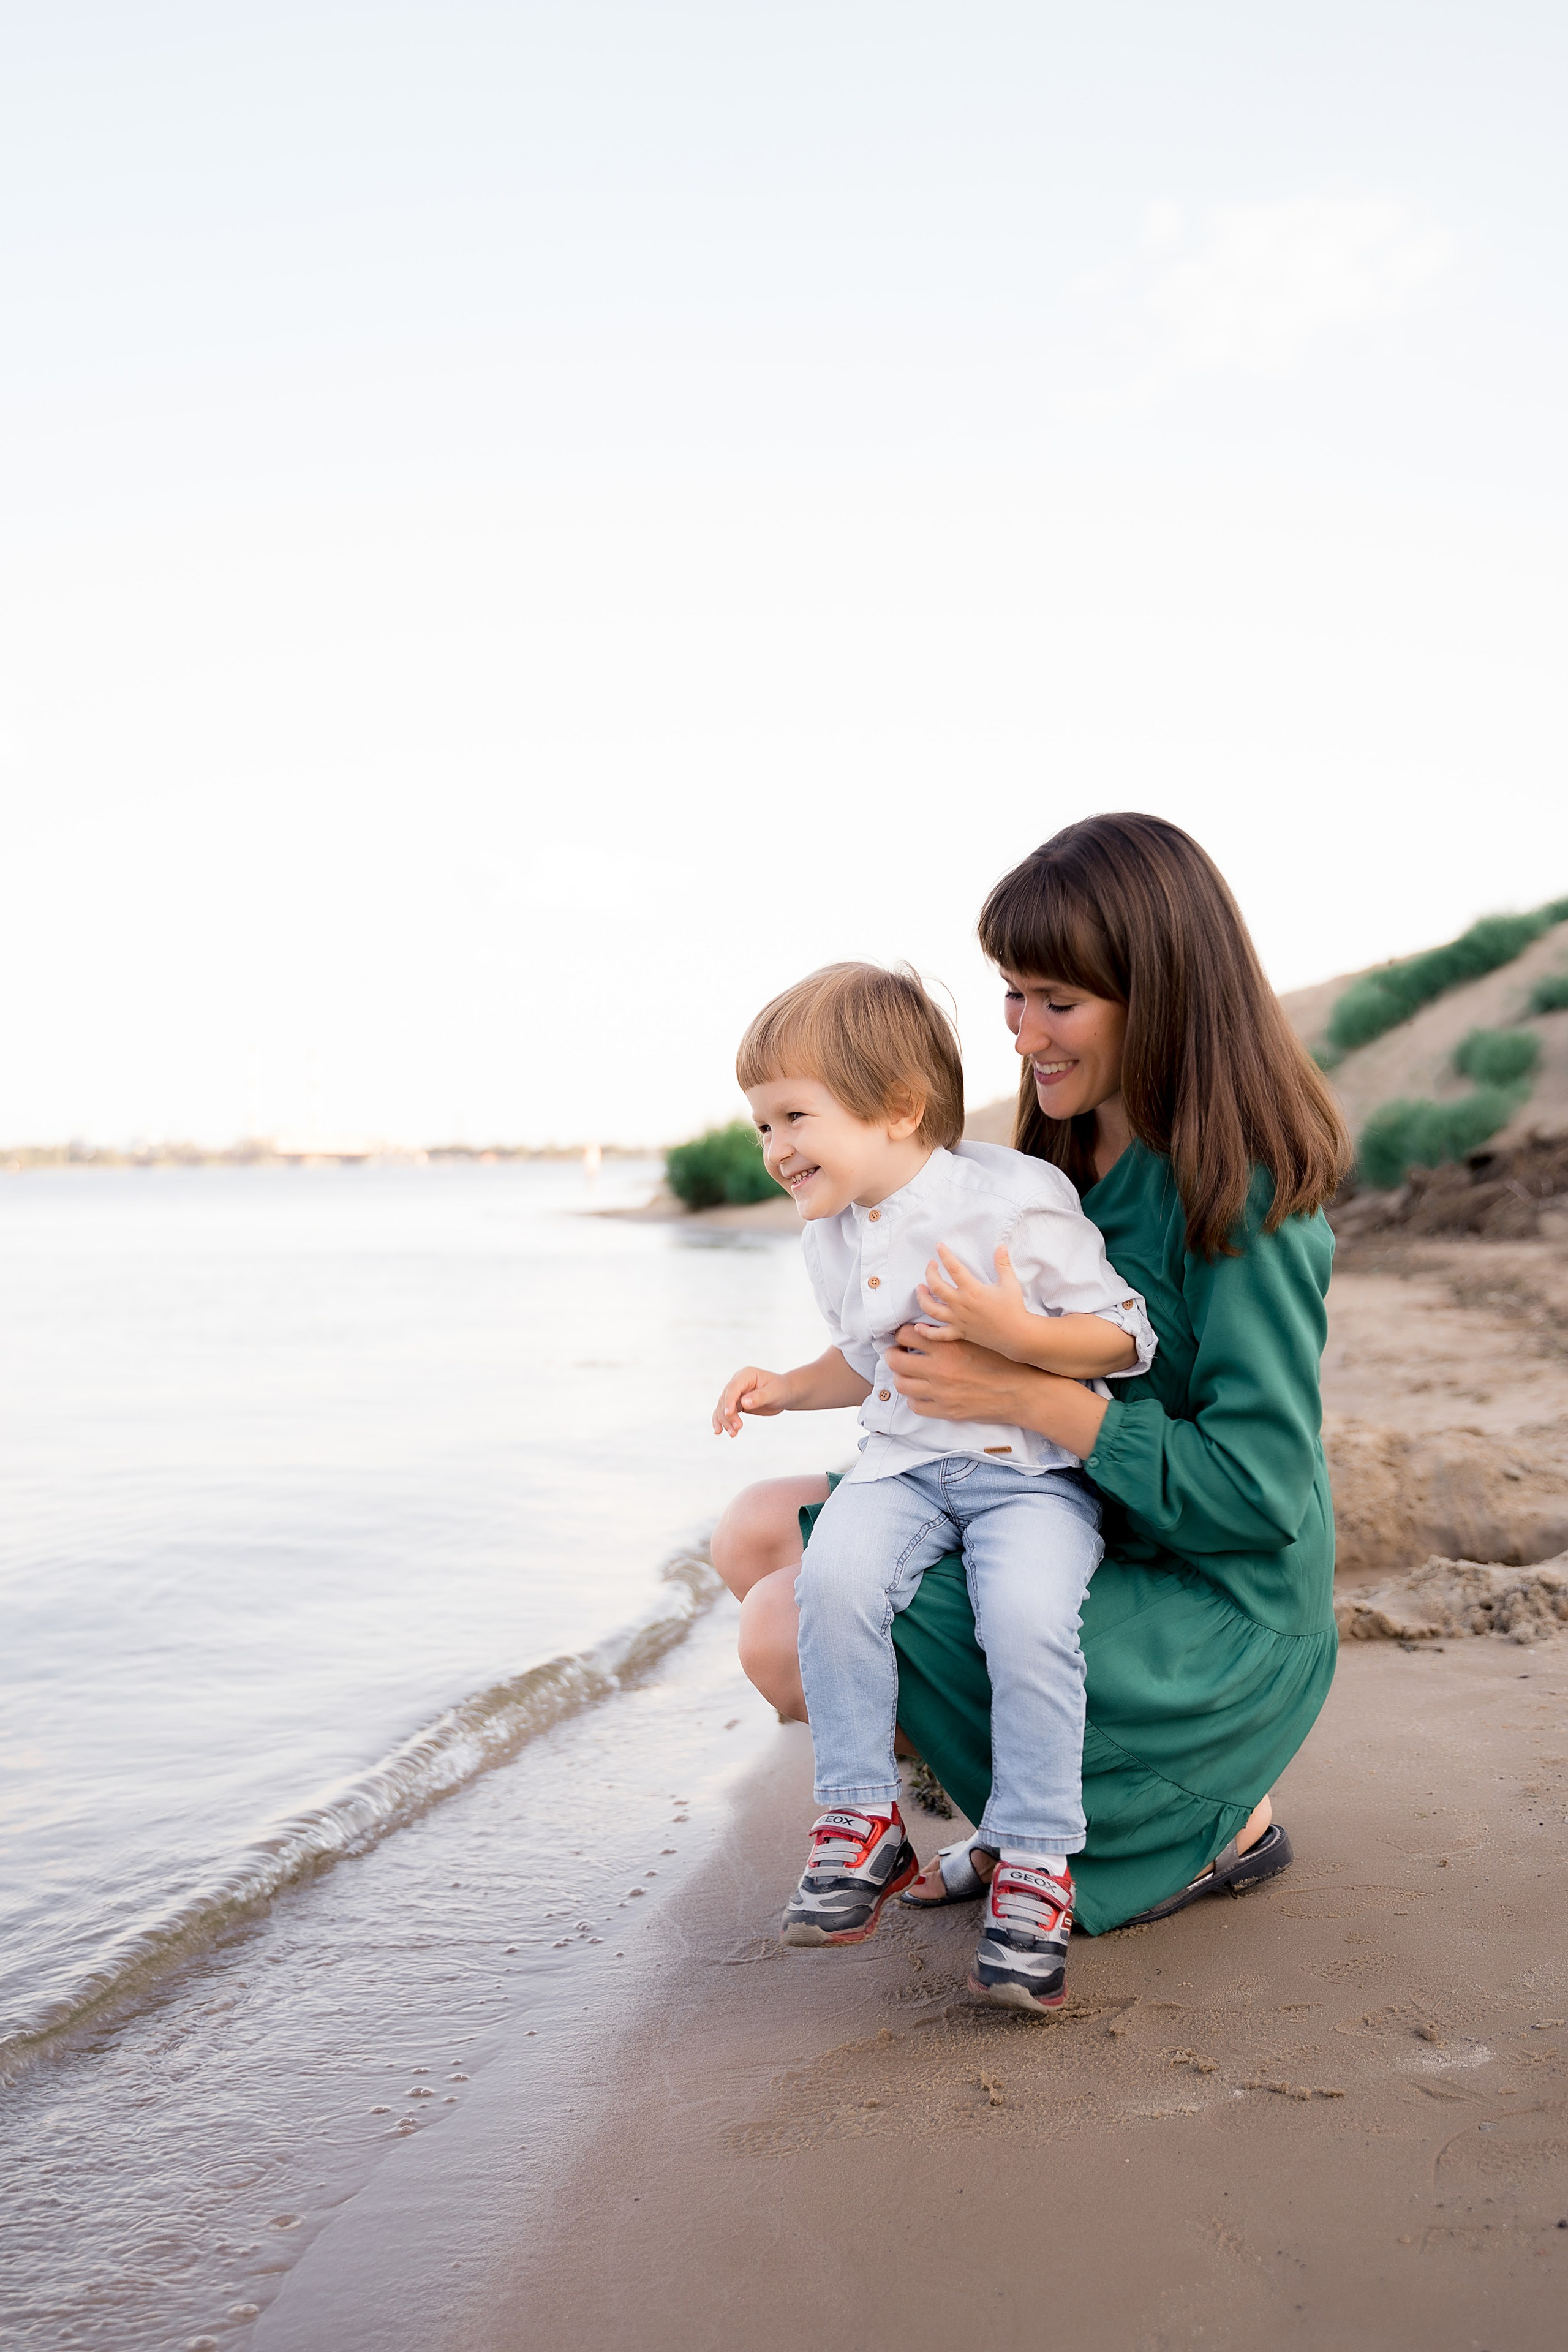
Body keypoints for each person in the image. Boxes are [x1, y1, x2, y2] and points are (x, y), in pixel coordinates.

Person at [712, 813, 1351, 1938]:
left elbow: (1260, 1495)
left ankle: (1212, 1817)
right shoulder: (1054, 1154)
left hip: (1216, 1604)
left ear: (1162, 998)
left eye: (1060, 1000)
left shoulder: (1240, 1196)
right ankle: (1008, 1817)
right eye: (1013, 992)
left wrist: (1022, 1393)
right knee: (758, 1528)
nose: (1025, 1031)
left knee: (782, 1624)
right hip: (1074, 1507)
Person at [713, 962, 1156, 2010]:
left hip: (1031, 1477)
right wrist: (788, 1385)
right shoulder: (834, 1232)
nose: (775, 1151)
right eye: (760, 1128)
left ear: (898, 1110)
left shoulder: (1011, 1195)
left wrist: (1020, 1336)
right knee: (834, 1581)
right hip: (904, 1466)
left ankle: (1039, 1864)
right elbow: (874, 1361)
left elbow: (1126, 1338)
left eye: (792, 1119)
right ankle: (862, 1822)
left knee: (1028, 1620)